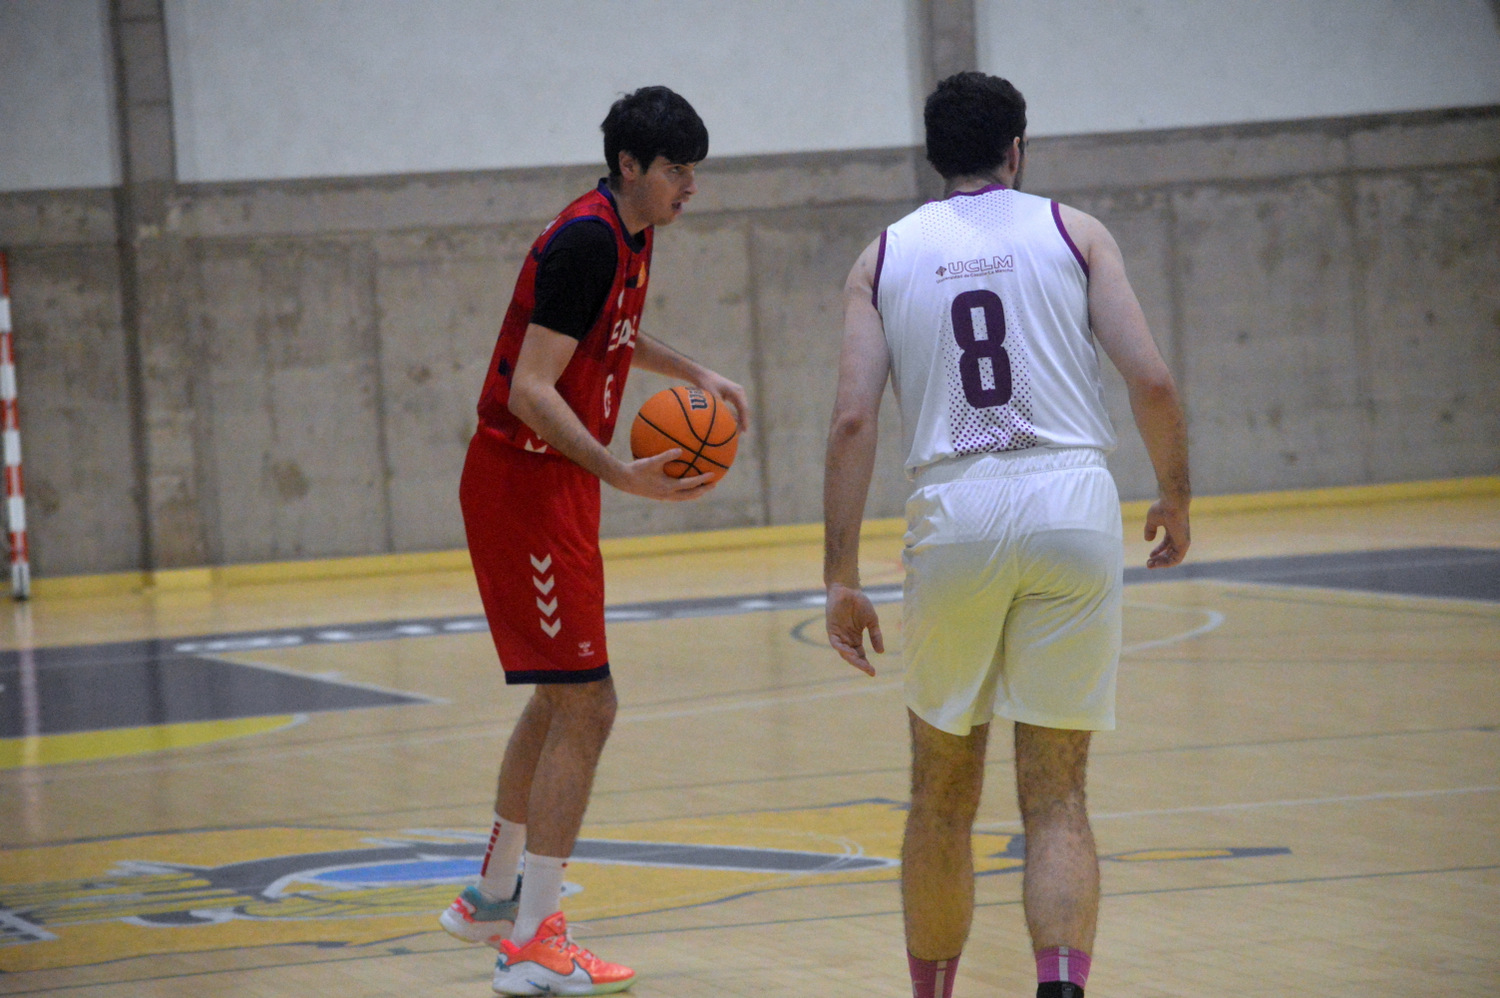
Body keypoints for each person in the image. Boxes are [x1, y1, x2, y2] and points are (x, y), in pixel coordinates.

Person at [822, 72, 1190, 998]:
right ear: (1017, 149)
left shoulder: (883, 256)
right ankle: (1060, 988)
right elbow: (1151, 381)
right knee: (1058, 794)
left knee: (941, 796)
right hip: (1071, 500)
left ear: (932, 155)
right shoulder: (1076, 233)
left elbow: (853, 422)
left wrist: (838, 571)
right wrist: (1175, 495)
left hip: (957, 512)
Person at [442, 85, 750, 997]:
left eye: (694, 169)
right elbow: (535, 386)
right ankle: (537, 940)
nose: (689, 185)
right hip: (527, 486)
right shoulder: (585, 239)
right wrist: (617, 470)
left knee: (558, 698)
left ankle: (494, 897)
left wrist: (690, 368)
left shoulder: (629, 233)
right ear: (629, 167)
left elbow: (605, 333)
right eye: (676, 170)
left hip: (555, 489)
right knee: (589, 705)